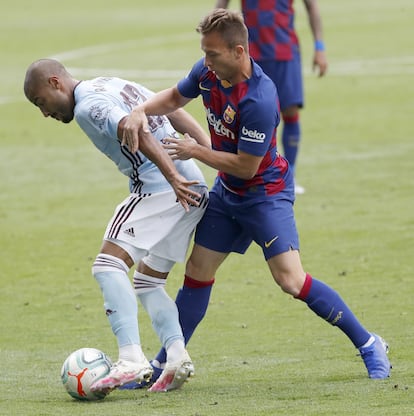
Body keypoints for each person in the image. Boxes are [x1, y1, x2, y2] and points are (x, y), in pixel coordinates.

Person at [122, 8, 391, 387]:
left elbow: (247, 166)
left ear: (238, 51)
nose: (206, 60)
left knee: (291, 281)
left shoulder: (260, 98)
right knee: (197, 274)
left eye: (213, 54)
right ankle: (166, 363)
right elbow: (173, 97)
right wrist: (139, 111)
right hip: (228, 195)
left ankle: (369, 343)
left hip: (264, 195)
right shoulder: (207, 72)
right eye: (205, 53)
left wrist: (196, 150)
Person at [23, 59, 210, 393]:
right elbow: (171, 108)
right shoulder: (108, 82)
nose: (45, 113)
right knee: (148, 282)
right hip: (193, 188)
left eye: (41, 102)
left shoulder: (87, 107)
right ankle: (177, 355)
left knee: (107, 266)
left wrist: (172, 178)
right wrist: (204, 151)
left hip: (164, 189)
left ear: (55, 83)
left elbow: (135, 127)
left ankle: (131, 357)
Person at [215, 0, 328, 194]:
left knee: (290, 110)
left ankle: (290, 175)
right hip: (249, 55)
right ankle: (241, 175)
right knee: (245, 114)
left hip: (285, 52)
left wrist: (319, 46)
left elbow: (312, 7)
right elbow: (220, 6)